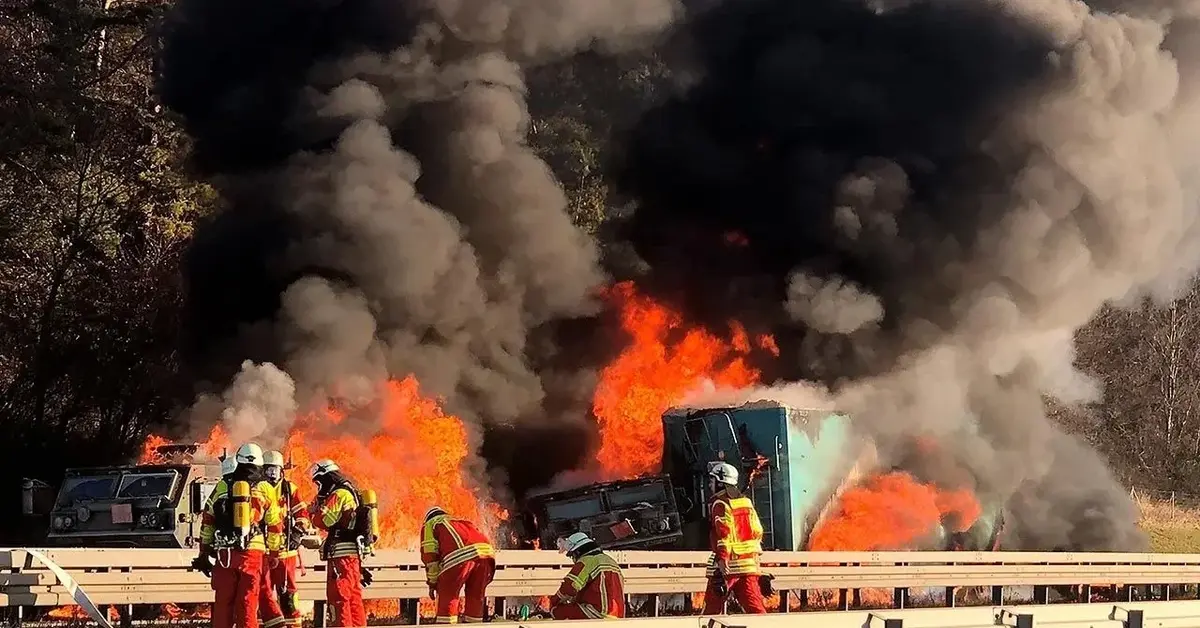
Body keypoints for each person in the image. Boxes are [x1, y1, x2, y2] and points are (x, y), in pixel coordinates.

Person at [196, 443, 283, 628]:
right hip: (252, 554)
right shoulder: (266, 488)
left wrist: (204, 551)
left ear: (239, 461)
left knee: (223, 603)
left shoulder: (222, 485)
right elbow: (275, 524)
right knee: (247, 603)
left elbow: (208, 520)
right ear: (260, 464)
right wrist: (275, 553)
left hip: (225, 554)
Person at [309, 459, 368, 627]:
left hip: (341, 556)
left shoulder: (338, 494)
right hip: (351, 555)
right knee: (353, 598)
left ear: (326, 477)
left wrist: (312, 514)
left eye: (319, 482)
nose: (319, 486)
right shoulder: (350, 490)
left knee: (339, 597)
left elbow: (326, 520)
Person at [702, 461, 766, 615]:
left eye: (712, 481)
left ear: (720, 483)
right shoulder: (746, 502)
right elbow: (758, 531)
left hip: (729, 566)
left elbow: (723, 533)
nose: (710, 485)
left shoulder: (720, 503)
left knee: (711, 610)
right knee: (756, 610)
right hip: (748, 564)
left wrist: (722, 559)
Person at [420, 506, 495, 624]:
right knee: (475, 597)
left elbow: (430, 557)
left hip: (460, 556)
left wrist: (433, 583)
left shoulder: (430, 524)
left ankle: (446, 626)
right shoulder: (460, 522)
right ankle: (474, 625)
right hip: (487, 555)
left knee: (448, 596)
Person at [261, 450, 308, 628]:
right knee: (263, 593)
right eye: (268, 470)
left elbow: (302, 514)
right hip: (263, 551)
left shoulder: (290, 489)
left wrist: (297, 532)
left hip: (286, 550)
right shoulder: (257, 489)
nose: (272, 474)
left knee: (288, 594)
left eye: (275, 469)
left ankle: (293, 624)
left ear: (282, 470)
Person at [549, 532, 625, 620]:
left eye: (572, 556)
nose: (573, 559)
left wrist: (553, 602)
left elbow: (569, 587)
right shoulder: (611, 562)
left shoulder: (587, 561)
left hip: (597, 613)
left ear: (577, 551)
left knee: (557, 611)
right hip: (617, 615)